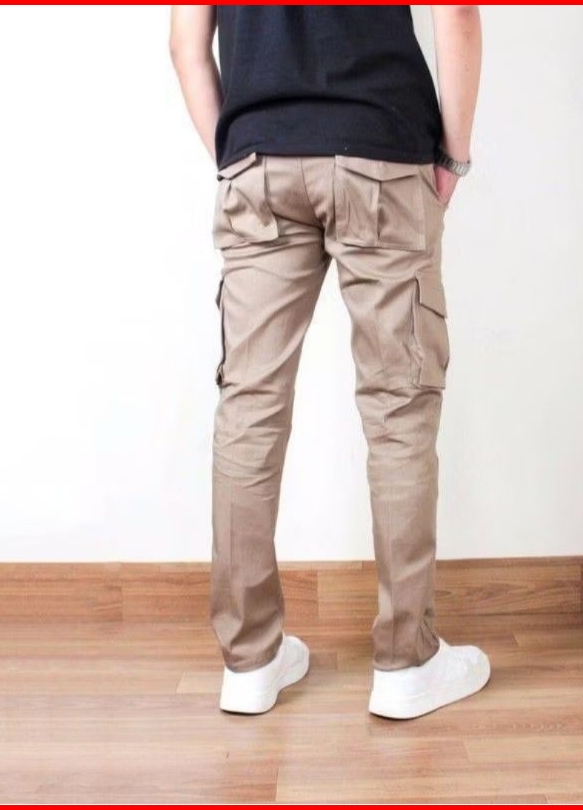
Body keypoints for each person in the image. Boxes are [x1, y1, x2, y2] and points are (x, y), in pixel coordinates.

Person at [170, 5, 488, 720]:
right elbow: (457, 13)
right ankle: (407, 662)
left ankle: (250, 661)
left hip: (259, 158)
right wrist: (454, 155)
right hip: (381, 150)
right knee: (399, 408)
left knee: (249, 407)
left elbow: (186, 46)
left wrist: (238, 156)